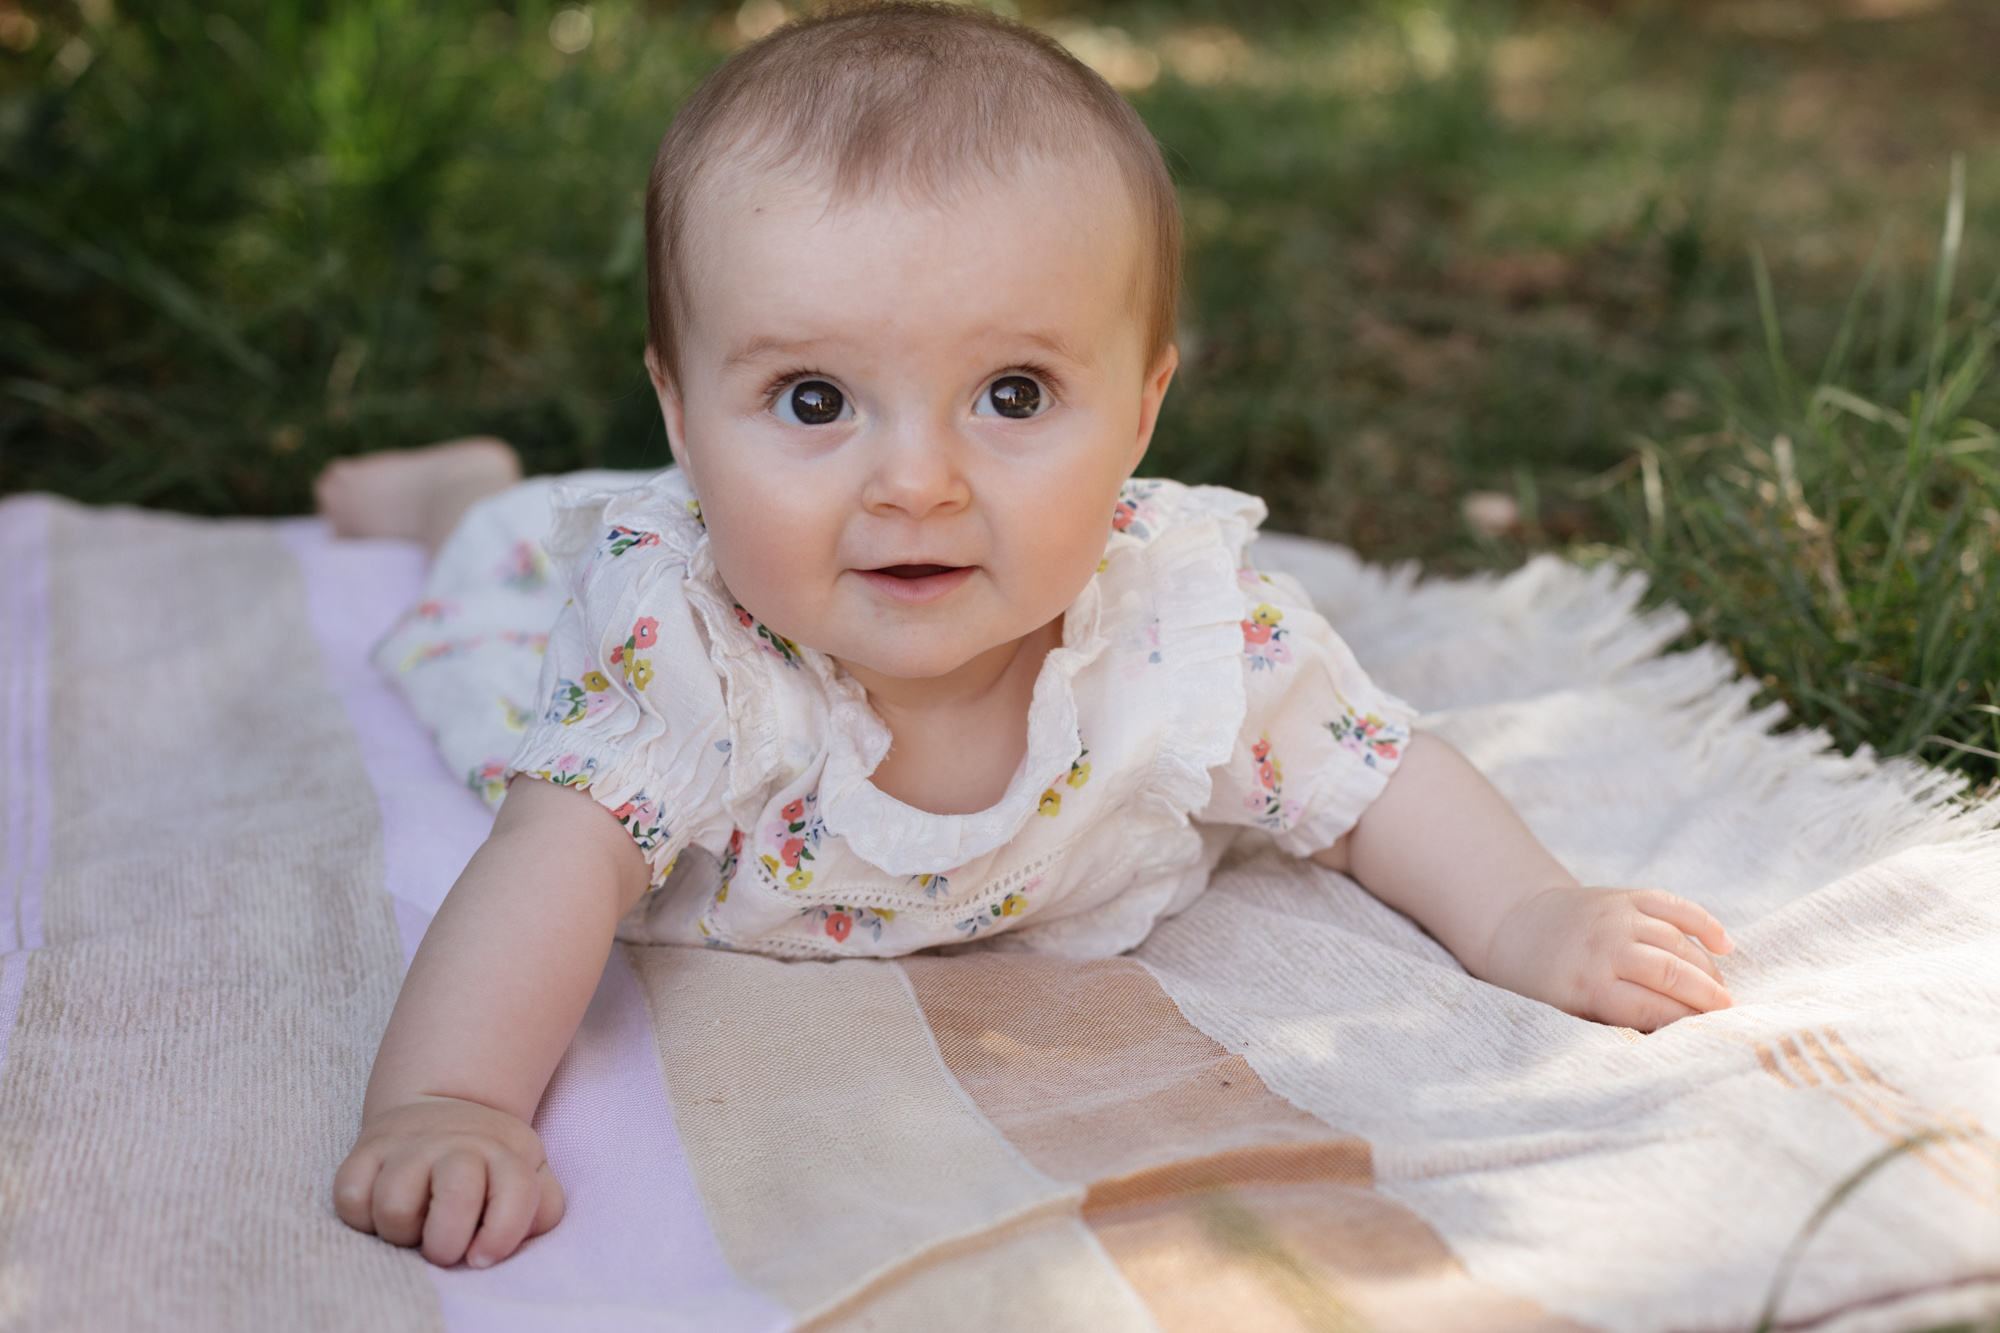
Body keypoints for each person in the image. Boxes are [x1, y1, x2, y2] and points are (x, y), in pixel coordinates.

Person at [321, 0, 1735, 1270]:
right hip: (561, 607)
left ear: (1139, 410)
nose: (917, 481)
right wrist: (450, 1098)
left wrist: (1529, 911)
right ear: (684, 414)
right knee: (493, 585)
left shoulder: (1179, 637)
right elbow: (542, 877)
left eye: (1010, 394)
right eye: (815, 400)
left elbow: (1379, 777)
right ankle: (471, 489)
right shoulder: (680, 655)